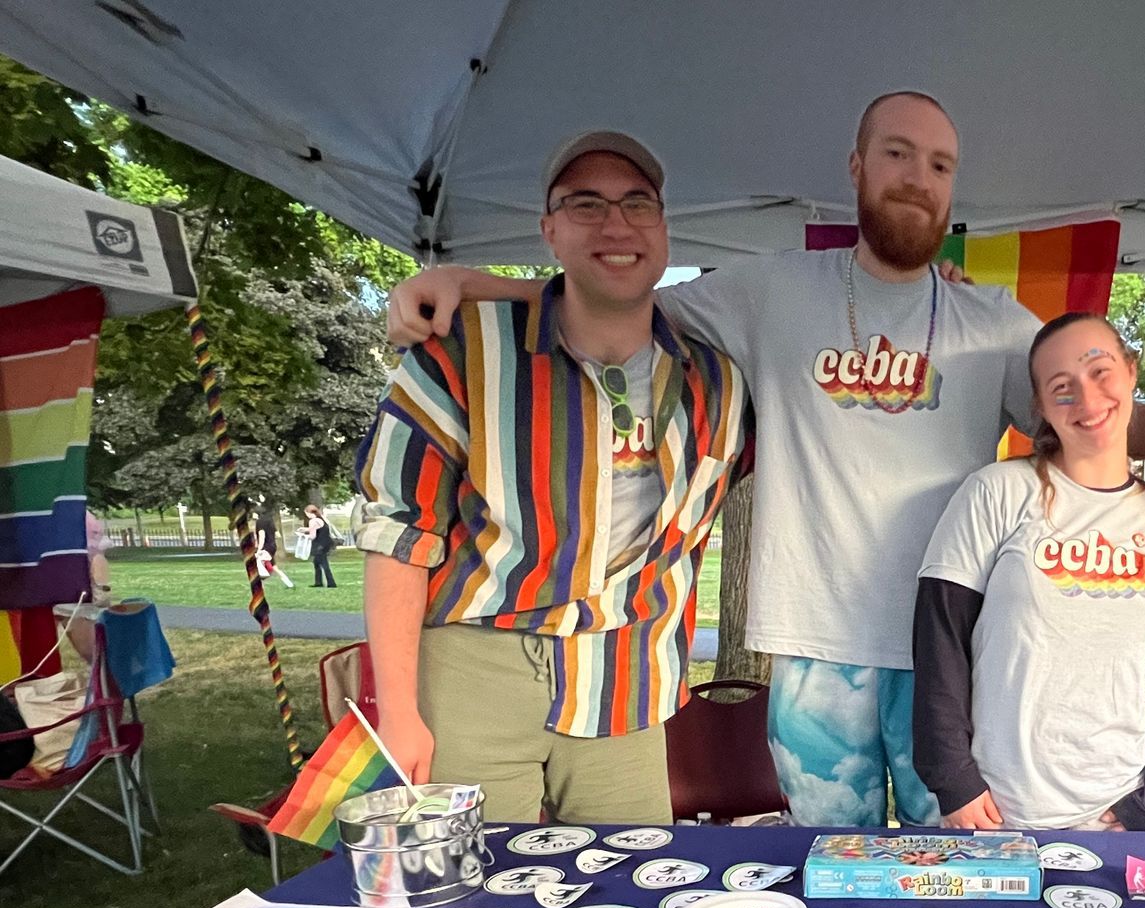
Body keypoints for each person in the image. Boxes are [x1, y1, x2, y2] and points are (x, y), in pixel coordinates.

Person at [389, 94, 1089, 827]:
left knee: (953, 868)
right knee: (829, 871)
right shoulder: (772, 289)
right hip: (816, 649)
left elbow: (1100, 427)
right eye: (897, 153)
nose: (918, 176)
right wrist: (467, 283)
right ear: (856, 167)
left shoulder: (998, 324)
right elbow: (613, 300)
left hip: (948, 654)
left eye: (939, 164)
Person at [353, 131, 751, 824]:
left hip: (624, 671)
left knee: (631, 885)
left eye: (638, 203)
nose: (617, 224)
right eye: (586, 205)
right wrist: (401, 711)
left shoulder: (717, 382)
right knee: (473, 893)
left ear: (663, 228)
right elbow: (396, 534)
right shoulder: (463, 352)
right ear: (549, 231)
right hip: (479, 662)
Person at [913, 314, 1145, 830]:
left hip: (1115, 812)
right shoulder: (997, 492)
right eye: (1062, 387)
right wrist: (953, 780)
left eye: (1101, 372)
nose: (1087, 399)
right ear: (1039, 406)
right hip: (994, 809)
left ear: (1131, 372)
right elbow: (939, 642)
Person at [301, 504, 338, 588]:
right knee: (317, 563)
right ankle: (318, 582)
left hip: (319, 545)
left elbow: (312, 535)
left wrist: (303, 536)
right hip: (326, 543)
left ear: (308, 513)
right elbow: (316, 529)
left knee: (324, 564)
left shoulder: (312, 521)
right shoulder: (321, 519)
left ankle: (331, 583)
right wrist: (305, 530)